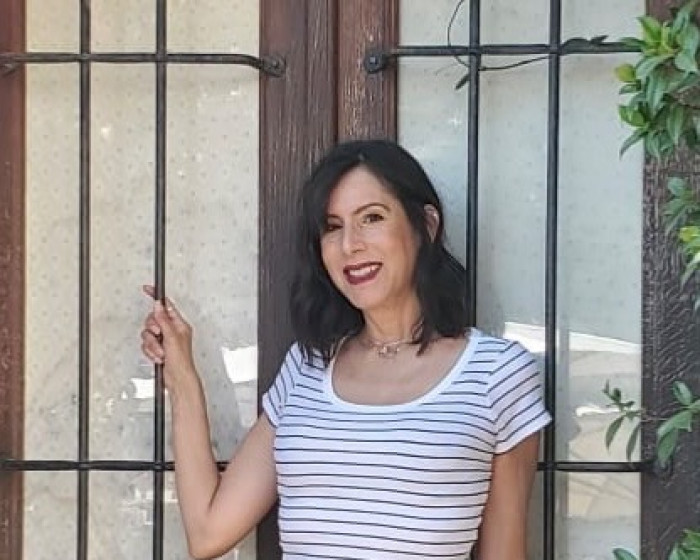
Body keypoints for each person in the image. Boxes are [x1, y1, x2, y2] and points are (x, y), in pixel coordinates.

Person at [140, 139, 551, 560]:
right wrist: (182, 377)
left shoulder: (497, 374)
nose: (350, 244)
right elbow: (208, 532)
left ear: (426, 226)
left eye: (372, 217)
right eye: (333, 226)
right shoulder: (307, 367)